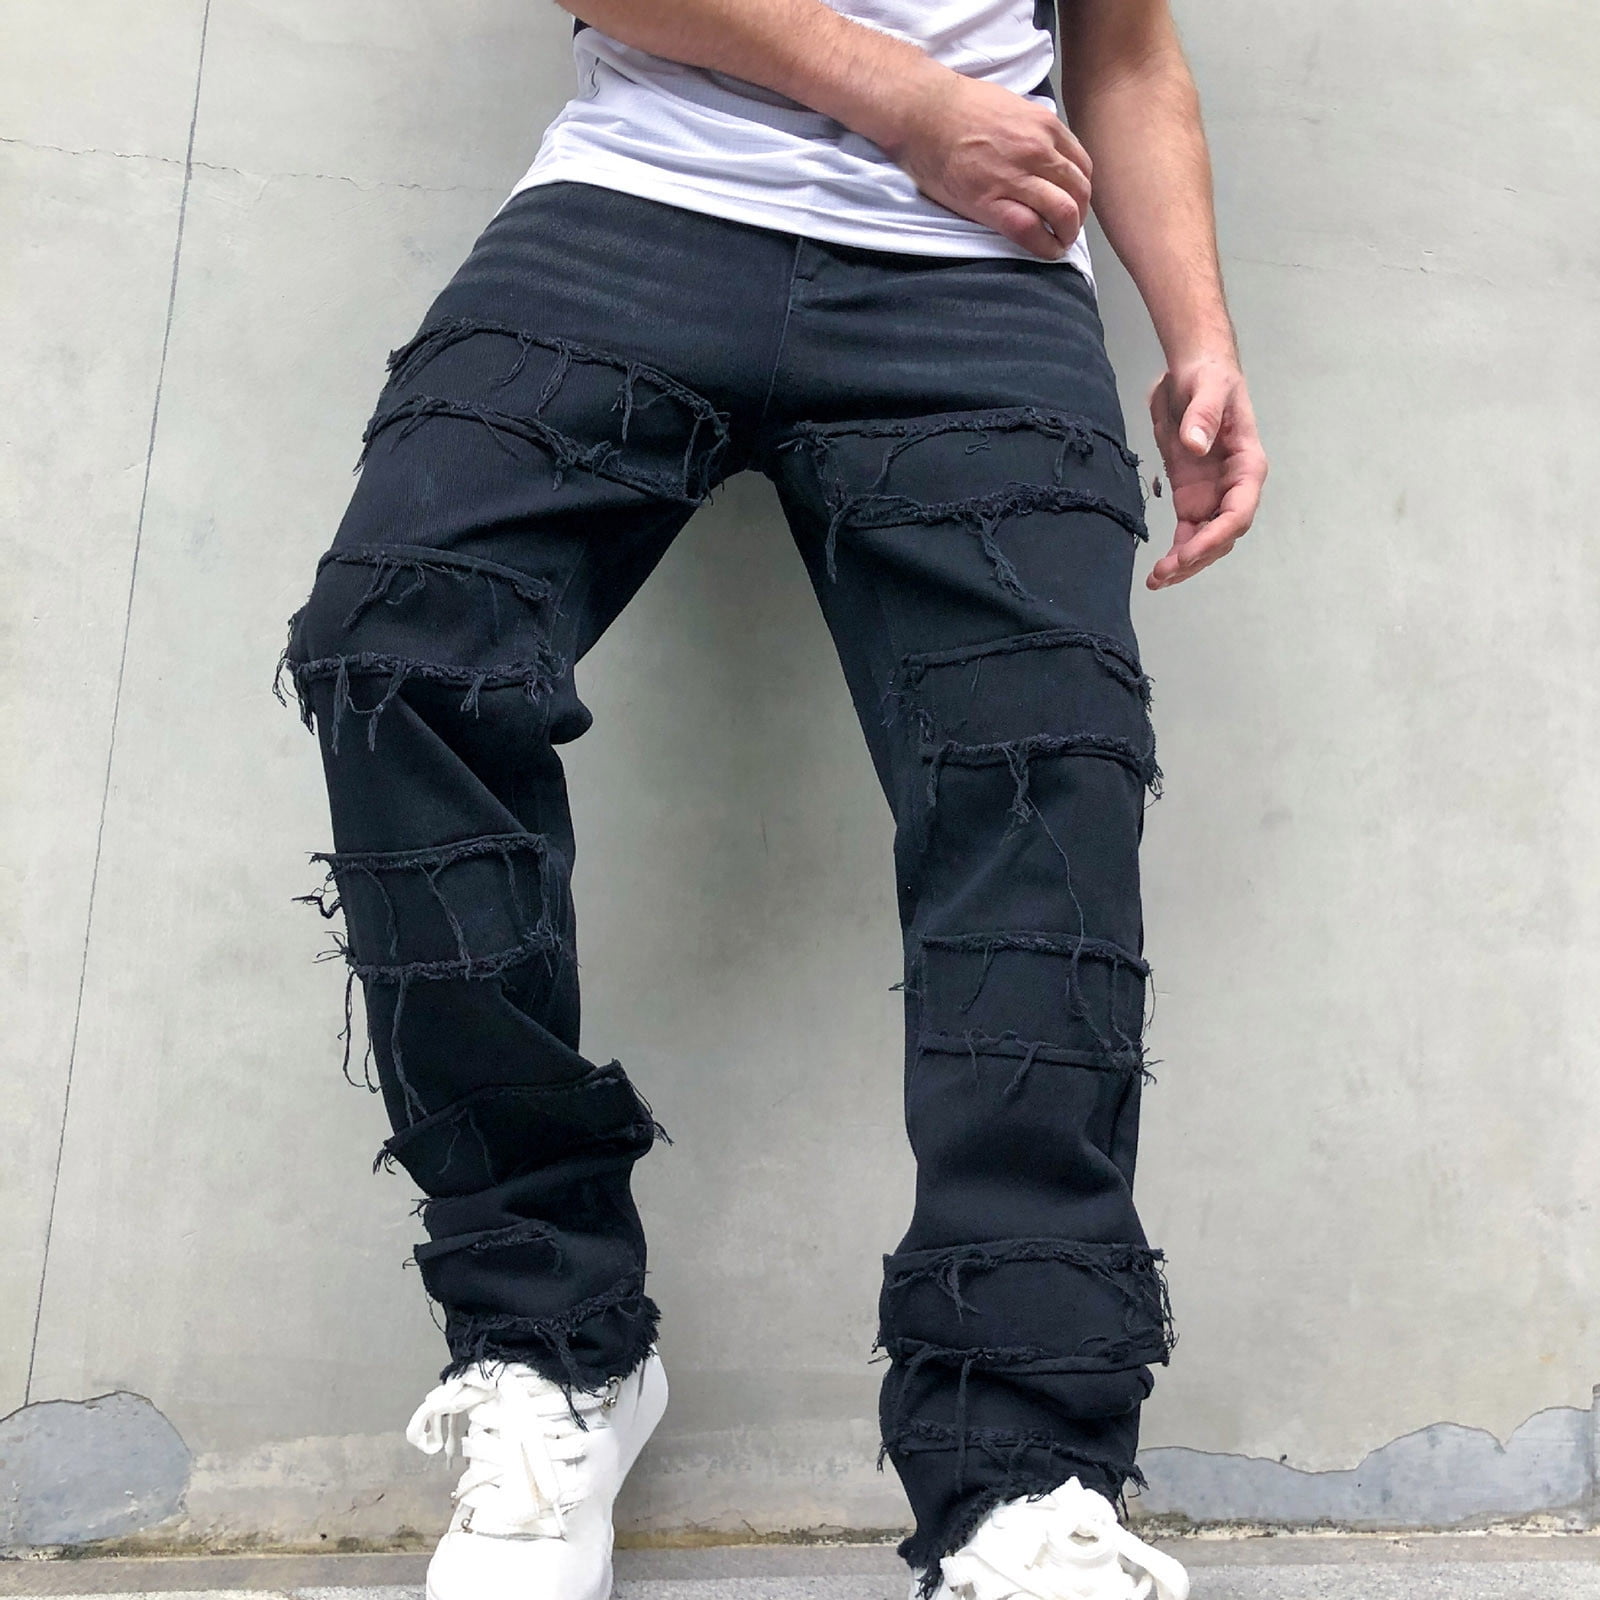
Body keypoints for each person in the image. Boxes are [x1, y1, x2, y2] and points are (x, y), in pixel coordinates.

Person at [275, 0, 1267, 1597]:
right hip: (635, 210)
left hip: (978, 283)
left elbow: (1128, 52)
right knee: (400, 650)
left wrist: (1201, 337)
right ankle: (554, 1341)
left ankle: (1020, 1479)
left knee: (1047, 784)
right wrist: (909, 102)